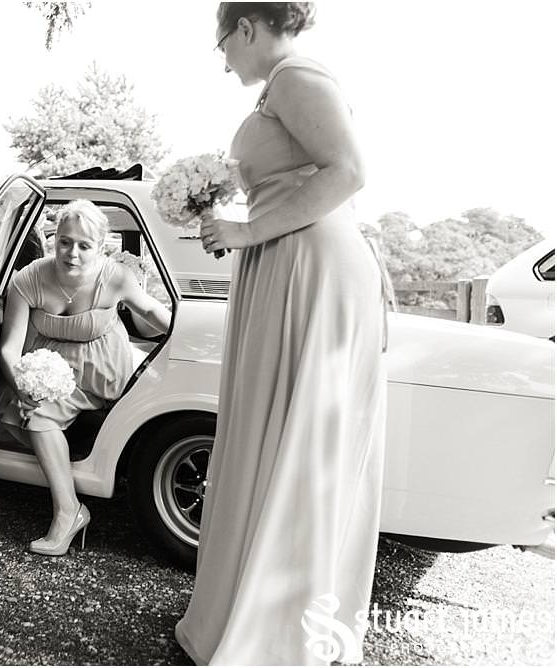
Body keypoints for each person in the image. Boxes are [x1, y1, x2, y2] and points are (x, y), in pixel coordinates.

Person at [174, 3, 388, 664]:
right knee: (268, 428)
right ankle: (249, 603)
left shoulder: (298, 76)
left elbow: (348, 173)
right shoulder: (281, 91)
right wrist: (225, 215)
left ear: (248, 27)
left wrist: (243, 230)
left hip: (309, 269)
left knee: (300, 436)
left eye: (222, 43)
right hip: (284, 259)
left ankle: (281, 630)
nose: (223, 57)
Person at [0, 200, 171, 556]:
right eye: (64, 241)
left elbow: (151, 310)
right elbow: (9, 349)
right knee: (23, 414)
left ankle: (67, 514)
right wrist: (21, 384)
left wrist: (187, 337)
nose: (71, 253)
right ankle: (71, 508)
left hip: (99, 364)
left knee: (40, 420)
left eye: (84, 245)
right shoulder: (27, 279)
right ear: (53, 239)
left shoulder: (115, 277)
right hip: (49, 364)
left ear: (101, 246)